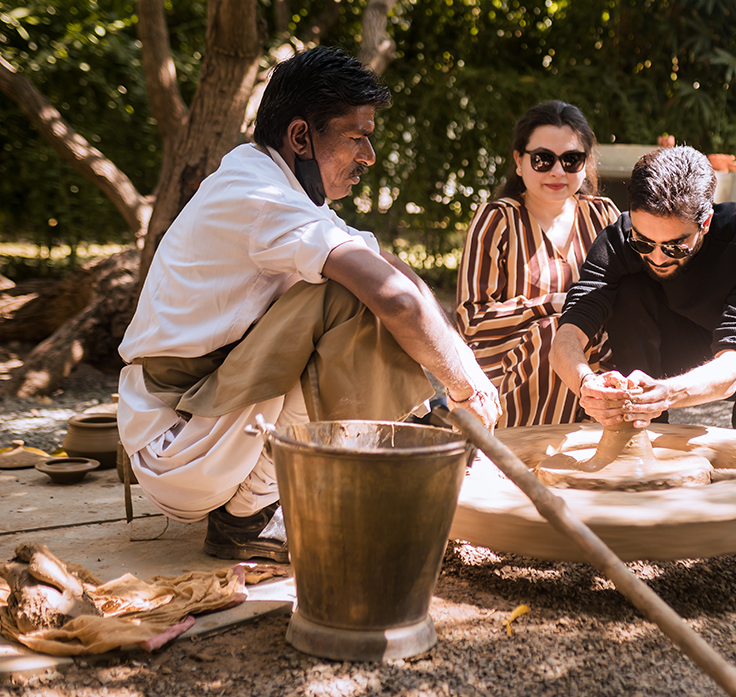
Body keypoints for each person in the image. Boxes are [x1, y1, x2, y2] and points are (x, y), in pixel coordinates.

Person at [117, 46, 500, 563]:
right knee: (348, 294)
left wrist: (466, 366)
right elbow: (391, 297)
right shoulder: (260, 197)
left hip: (204, 416)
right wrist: (465, 385)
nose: (368, 156)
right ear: (300, 136)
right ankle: (246, 514)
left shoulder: (282, 187)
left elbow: (397, 275)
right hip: (178, 443)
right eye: (356, 138)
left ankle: (391, 436)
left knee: (363, 282)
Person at [549, 145, 736, 433]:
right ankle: (648, 428)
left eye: (675, 246)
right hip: (674, 336)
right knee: (628, 288)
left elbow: (734, 361)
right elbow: (568, 333)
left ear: (706, 223)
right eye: (644, 242)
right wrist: (585, 383)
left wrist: (668, 393)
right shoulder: (617, 240)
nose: (658, 258)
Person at [455, 101, 620, 428]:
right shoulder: (497, 220)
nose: (558, 171)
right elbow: (470, 321)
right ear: (519, 161)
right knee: (556, 333)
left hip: (596, 362)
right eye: (543, 159)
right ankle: (525, 458)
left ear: (586, 163)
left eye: (571, 159)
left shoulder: (604, 216)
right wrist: (555, 307)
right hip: (516, 370)